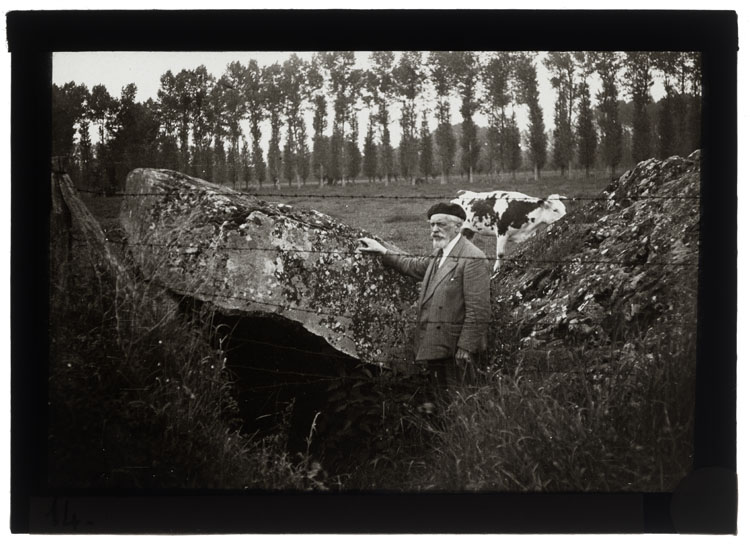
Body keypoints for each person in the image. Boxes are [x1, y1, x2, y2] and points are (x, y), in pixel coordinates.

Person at [357, 202, 491, 395]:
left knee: (462, 400)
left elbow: (478, 310)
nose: (435, 230)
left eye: (441, 224)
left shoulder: (472, 258)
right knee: (441, 399)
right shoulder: (440, 252)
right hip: (436, 344)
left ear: (458, 226)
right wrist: (383, 251)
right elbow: (414, 265)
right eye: (432, 225)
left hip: (456, 350)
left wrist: (466, 347)